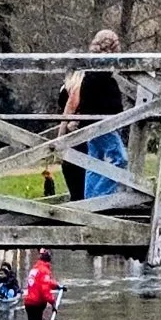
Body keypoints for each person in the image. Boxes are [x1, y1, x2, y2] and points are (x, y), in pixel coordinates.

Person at [60, 29, 128, 200]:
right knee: (119, 160)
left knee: (94, 163)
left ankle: (91, 200)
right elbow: (80, 101)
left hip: (92, 123)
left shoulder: (92, 70)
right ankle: (100, 198)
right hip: (102, 124)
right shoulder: (100, 71)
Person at [24, 248, 60, 320]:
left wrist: (56, 285)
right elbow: (45, 290)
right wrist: (53, 302)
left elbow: (44, 282)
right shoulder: (44, 270)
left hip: (29, 302)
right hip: (36, 304)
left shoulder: (35, 269)